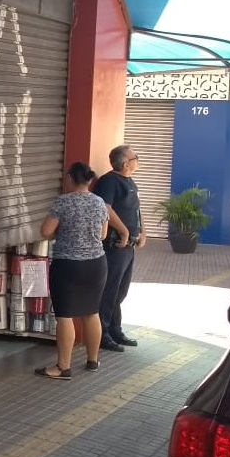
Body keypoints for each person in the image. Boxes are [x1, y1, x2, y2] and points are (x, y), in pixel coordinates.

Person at [34, 161, 108, 379]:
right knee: (91, 312)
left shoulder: (63, 202)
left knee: (65, 315)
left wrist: (62, 233)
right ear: (89, 180)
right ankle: (92, 360)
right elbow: (103, 234)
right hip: (96, 264)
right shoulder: (99, 202)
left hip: (68, 266)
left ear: (70, 178)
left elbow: (46, 231)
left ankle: (63, 367)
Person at [93, 144, 144, 353]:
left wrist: (142, 232)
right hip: (115, 244)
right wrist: (123, 231)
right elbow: (105, 208)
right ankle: (102, 332)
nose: (138, 160)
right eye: (135, 157)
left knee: (121, 290)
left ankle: (116, 329)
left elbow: (137, 209)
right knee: (110, 289)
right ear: (125, 163)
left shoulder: (130, 181)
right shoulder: (109, 182)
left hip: (129, 245)